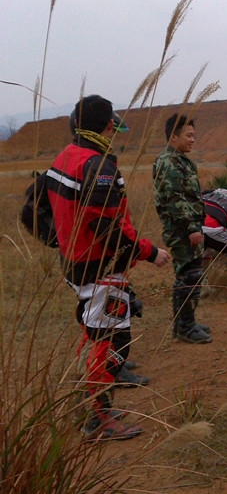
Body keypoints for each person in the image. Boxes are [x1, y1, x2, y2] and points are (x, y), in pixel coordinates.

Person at [46, 94, 171, 441]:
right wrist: (148, 252)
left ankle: (92, 406)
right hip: (99, 268)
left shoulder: (64, 157)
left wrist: (64, 241)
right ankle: (98, 418)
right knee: (113, 340)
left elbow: (38, 208)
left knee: (96, 331)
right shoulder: (98, 167)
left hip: (76, 265)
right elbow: (106, 228)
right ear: (106, 125)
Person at [153, 113, 212, 344]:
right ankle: (185, 327)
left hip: (190, 227)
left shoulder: (181, 160)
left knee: (191, 275)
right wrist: (190, 227)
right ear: (174, 137)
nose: (193, 140)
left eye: (194, 135)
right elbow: (174, 199)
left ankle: (185, 322)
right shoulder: (168, 162)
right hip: (181, 230)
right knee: (188, 276)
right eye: (188, 135)